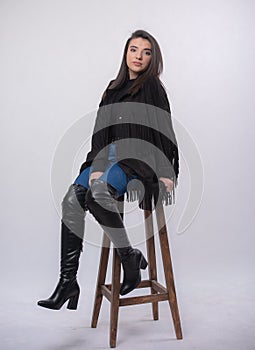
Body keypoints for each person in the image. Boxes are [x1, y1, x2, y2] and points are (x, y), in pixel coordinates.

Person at [37, 29, 179, 310]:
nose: (139, 56)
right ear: (125, 53)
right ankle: (68, 282)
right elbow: (100, 132)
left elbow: (164, 130)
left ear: (153, 59)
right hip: (108, 155)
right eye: (134, 50)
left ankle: (128, 257)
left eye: (146, 52)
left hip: (138, 159)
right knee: (72, 200)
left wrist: (166, 171)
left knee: (98, 195)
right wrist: (98, 166)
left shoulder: (153, 88)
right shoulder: (112, 89)